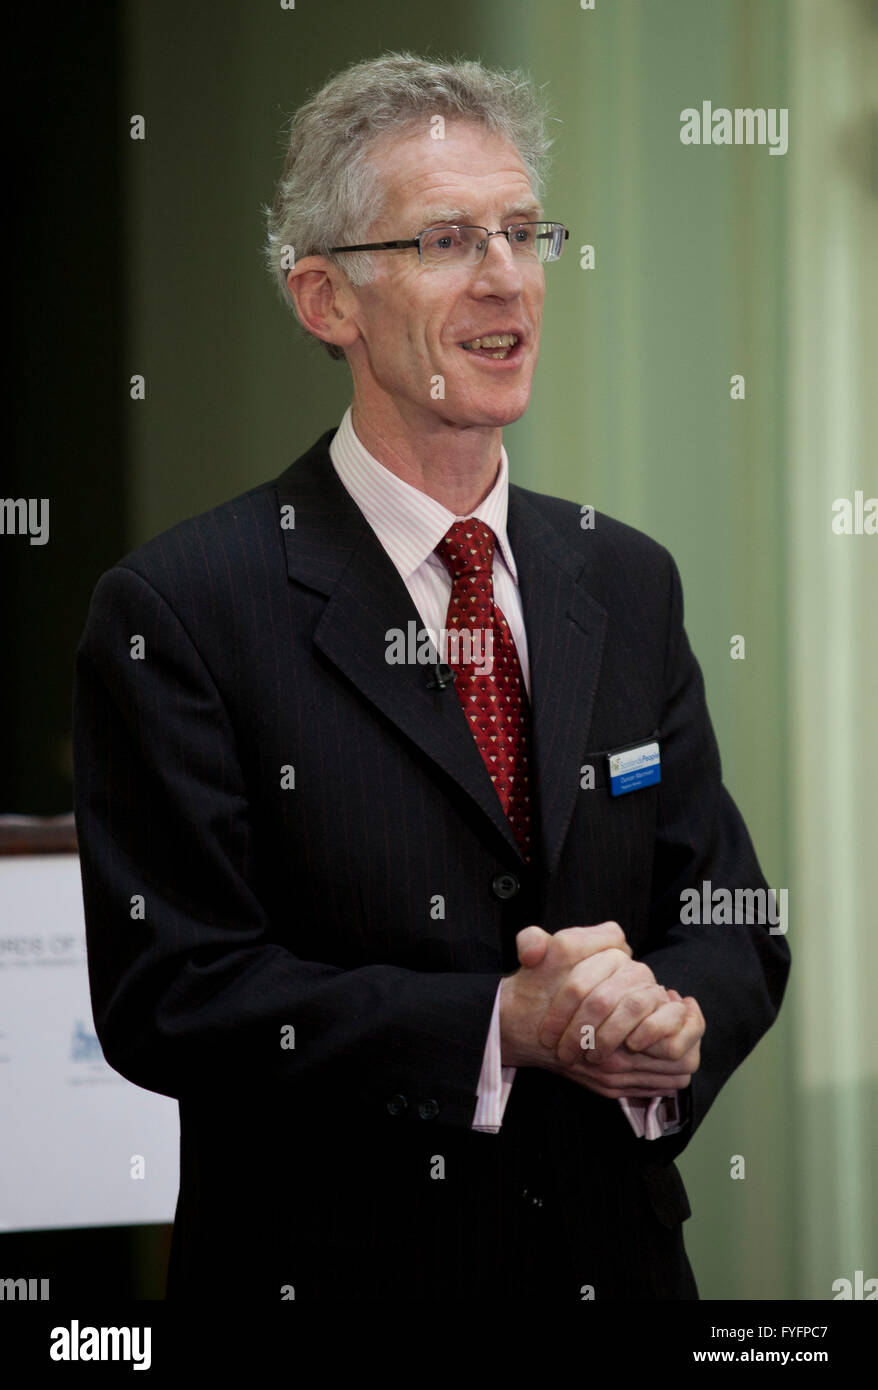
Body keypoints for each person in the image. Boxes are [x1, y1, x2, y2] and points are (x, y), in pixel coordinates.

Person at [72, 53, 790, 1301]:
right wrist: (493, 1030)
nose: (507, 275)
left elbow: (729, 914)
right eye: (448, 238)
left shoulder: (625, 578)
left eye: (524, 230)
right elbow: (169, 994)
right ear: (325, 300)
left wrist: (667, 1022)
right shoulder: (182, 608)